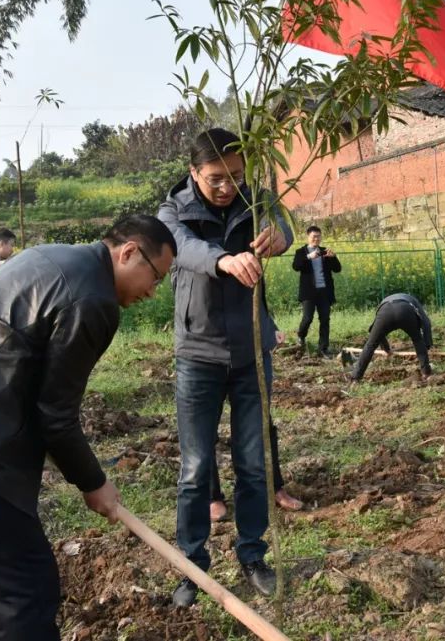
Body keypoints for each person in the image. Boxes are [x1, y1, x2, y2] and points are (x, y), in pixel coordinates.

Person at [0, 215, 176, 641]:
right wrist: (93, 482)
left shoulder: (50, 255)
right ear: (129, 252)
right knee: (26, 589)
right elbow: (55, 414)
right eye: (155, 277)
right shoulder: (93, 299)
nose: (152, 292)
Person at [158, 128, 292, 608]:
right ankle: (192, 566)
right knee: (195, 468)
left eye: (235, 176)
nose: (226, 187)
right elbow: (182, 248)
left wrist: (279, 237)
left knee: (253, 464)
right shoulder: (173, 211)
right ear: (194, 172)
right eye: (215, 178)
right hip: (198, 355)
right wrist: (225, 260)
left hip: (251, 352)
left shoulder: (256, 200)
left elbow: (284, 226)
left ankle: (253, 553)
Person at [209, 330, 303, 522]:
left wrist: (268, 325)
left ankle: (273, 487)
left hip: (248, 351)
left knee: (262, 423)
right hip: (205, 352)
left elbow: (257, 308)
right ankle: (211, 496)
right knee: (204, 429)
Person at [346, 293, 433, 382]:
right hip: (405, 311)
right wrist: (427, 344)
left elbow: (377, 333)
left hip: (385, 314)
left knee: (370, 345)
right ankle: (426, 373)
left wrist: (386, 349)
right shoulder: (413, 301)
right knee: (418, 340)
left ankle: (355, 377)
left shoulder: (383, 304)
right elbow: (426, 322)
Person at [293, 225, 341, 358]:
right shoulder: (301, 252)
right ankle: (301, 336)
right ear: (308, 237)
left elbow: (337, 269)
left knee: (325, 319)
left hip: (324, 292)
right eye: (314, 236)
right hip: (309, 292)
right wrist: (309, 256)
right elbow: (296, 266)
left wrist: (333, 257)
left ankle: (323, 348)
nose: (317, 239)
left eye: (319, 236)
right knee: (307, 318)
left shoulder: (325, 251)